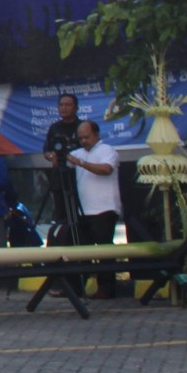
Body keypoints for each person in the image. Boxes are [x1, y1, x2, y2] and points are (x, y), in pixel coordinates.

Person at [65, 119, 123, 299]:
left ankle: (107, 288)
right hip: (84, 210)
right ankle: (77, 286)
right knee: (81, 250)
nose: (84, 141)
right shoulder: (77, 153)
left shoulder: (107, 150)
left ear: (96, 135)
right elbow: (60, 162)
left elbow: (106, 169)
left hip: (105, 209)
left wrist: (81, 163)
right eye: (80, 138)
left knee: (104, 251)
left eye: (87, 137)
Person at [38, 93, 83, 242]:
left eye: (68, 105)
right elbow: (47, 150)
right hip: (59, 177)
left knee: (78, 215)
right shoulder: (55, 128)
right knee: (61, 215)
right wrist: (51, 156)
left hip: (78, 177)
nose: (64, 108)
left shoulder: (82, 127)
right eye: (61, 105)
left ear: (76, 108)